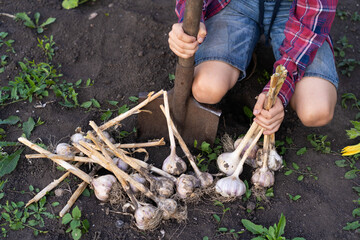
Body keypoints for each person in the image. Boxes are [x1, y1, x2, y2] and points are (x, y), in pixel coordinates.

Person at [168, 0, 339, 135]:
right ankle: (242, 53)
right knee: (206, 88)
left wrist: (279, 91)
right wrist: (190, 20)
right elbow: (192, 5)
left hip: (296, 12)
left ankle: (242, 51)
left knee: (316, 110)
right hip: (235, 4)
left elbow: (312, 19)